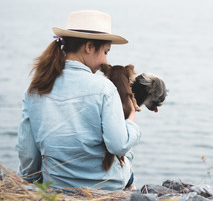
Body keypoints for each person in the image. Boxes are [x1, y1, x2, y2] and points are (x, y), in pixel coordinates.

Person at [16, 10, 141, 190]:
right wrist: (130, 121)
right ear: (89, 47)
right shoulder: (105, 89)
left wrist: (30, 183)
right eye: (106, 52)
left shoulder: (36, 88)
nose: (106, 61)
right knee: (127, 152)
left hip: (56, 185)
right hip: (105, 186)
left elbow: (27, 153)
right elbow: (118, 145)